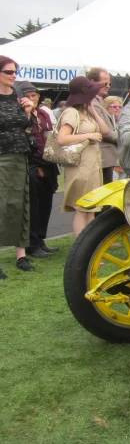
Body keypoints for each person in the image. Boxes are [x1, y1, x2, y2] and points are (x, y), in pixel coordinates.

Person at [57, 76, 111, 237]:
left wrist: (93, 110)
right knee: (82, 210)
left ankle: (90, 248)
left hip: (92, 166)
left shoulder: (85, 112)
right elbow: (62, 138)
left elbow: (105, 130)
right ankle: (80, 249)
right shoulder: (71, 113)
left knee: (91, 209)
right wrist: (89, 136)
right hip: (80, 167)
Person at [0, 56, 35, 278]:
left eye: (15, 72)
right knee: (2, 206)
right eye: (9, 72)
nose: (14, 76)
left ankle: (20, 255)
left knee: (21, 203)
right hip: (1, 156)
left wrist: (29, 111)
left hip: (20, 154)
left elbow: (27, 125)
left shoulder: (18, 96)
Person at [16, 81, 59, 258]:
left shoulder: (43, 113)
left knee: (46, 204)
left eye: (34, 95)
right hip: (31, 163)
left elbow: (50, 137)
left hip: (48, 162)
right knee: (32, 206)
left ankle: (40, 239)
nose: (32, 99)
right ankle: (31, 244)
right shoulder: (21, 115)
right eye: (28, 96)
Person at [87, 67, 118, 184]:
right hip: (101, 156)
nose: (108, 85)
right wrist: (119, 138)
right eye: (104, 82)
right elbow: (103, 130)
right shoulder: (92, 102)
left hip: (106, 157)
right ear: (92, 82)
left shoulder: (98, 101)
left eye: (109, 83)